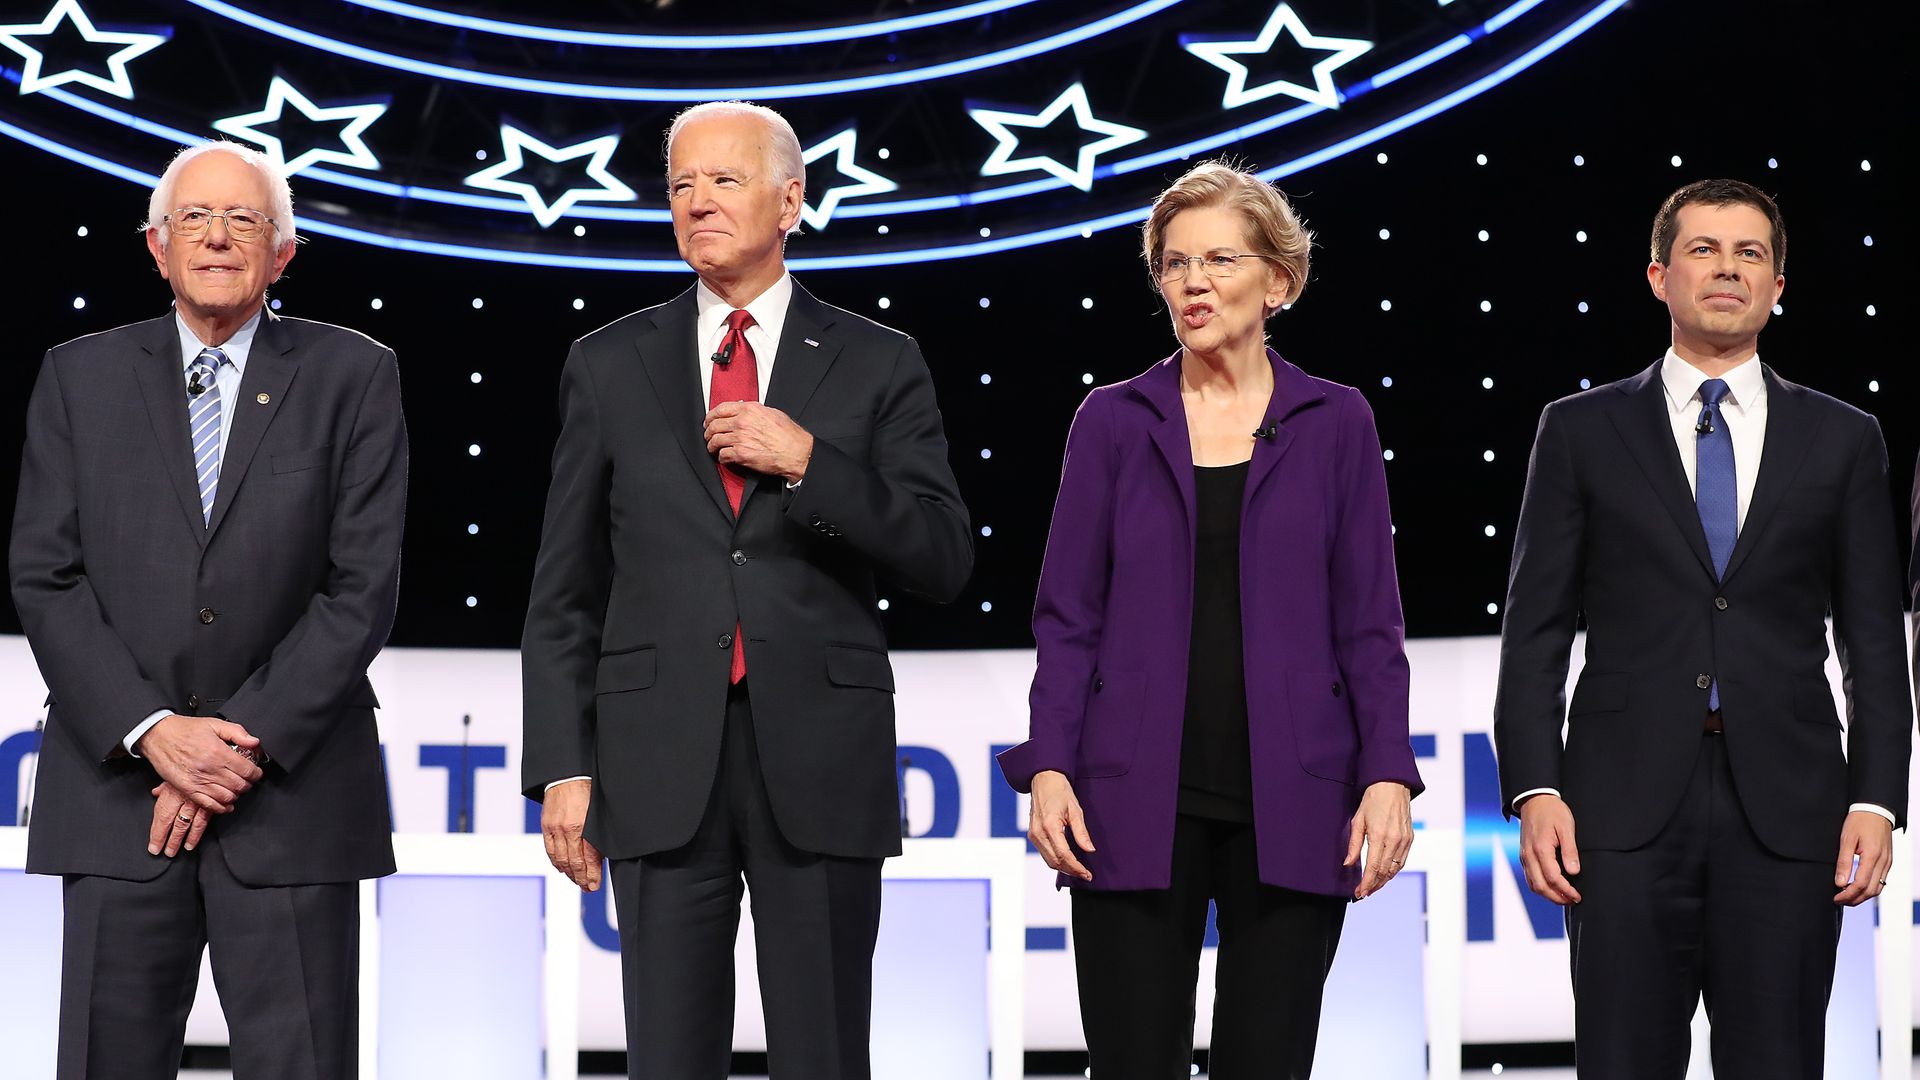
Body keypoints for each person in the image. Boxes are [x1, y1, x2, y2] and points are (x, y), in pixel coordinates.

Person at [520, 100, 972, 1079]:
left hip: (818, 756)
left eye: (724, 181)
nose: (697, 203)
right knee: (666, 1057)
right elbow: (565, 588)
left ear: (791, 201)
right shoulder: (607, 364)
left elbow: (942, 553)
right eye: (681, 185)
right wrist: (563, 762)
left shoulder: (877, 360)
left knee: (823, 1053)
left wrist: (812, 464)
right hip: (656, 760)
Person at [996, 160, 1422, 1079]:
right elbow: (1068, 617)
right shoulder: (1112, 421)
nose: (1193, 283)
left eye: (1220, 261)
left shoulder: (1336, 420)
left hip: (1298, 794)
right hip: (1130, 795)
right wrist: (1051, 764)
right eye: (1175, 264)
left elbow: (1370, 625)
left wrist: (1387, 772)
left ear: (1279, 279)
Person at [1494, 178, 1910, 1077]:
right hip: (1621, 809)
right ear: (1659, 276)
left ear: (1778, 286)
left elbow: (1873, 639)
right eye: (1704, 250)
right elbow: (1533, 634)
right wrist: (1535, 790)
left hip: (1791, 812)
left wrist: (1876, 799)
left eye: (1750, 253)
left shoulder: (1844, 439)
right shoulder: (1579, 430)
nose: (1728, 268)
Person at [9, 141, 407, 1079]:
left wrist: (235, 742)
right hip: (117, 799)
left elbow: (361, 588)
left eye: (245, 220)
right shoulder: (79, 376)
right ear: (155, 245)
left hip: (293, 803)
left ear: (284, 253)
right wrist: (154, 731)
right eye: (195, 217)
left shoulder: (356, 375)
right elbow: (45, 575)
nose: (218, 238)